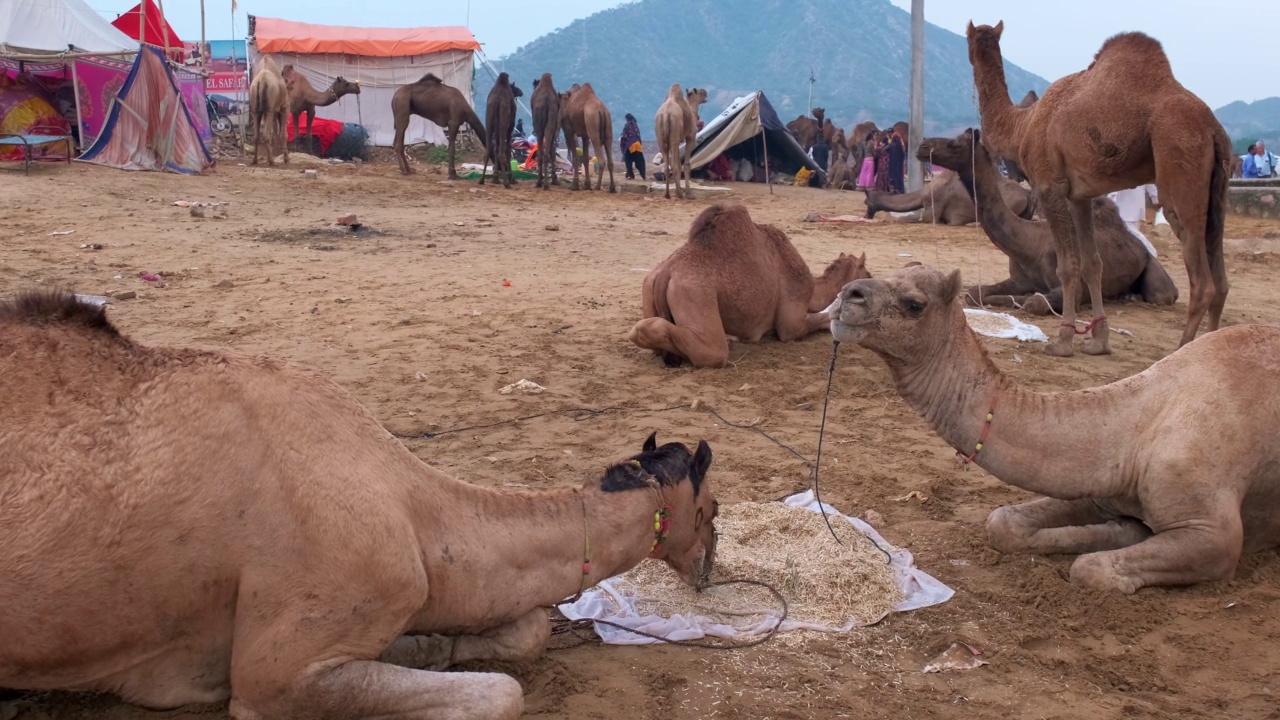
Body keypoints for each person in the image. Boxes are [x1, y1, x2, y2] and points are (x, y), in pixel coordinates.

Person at [619, 112, 645, 180]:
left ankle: (630, 175)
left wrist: (622, 145)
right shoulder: (635, 125)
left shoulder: (627, 125)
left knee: (628, 161)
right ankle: (643, 175)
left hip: (630, 146)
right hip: (638, 145)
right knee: (640, 161)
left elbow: (624, 136)